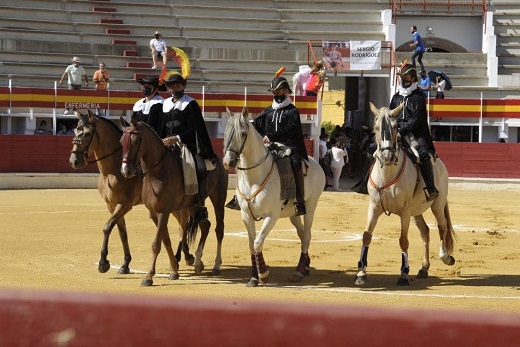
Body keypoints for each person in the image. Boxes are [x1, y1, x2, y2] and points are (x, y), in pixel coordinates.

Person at [352, 63, 439, 201]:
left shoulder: (419, 98)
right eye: (402, 77)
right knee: (371, 149)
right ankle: (365, 181)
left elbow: (416, 120)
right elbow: (391, 115)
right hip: (395, 130)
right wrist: (393, 130)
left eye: (406, 77)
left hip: (415, 133)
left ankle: (430, 187)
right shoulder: (396, 97)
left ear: (413, 78)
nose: (404, 80)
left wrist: (401, 131)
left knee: (423, 154)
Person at [226, 74, 309, 216]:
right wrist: (246, 126)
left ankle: (299, 200)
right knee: (244, 159)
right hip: (268, 146)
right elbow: (256, 125)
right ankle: (238, 196)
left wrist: (271, 136)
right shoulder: (268, 111)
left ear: (285, 91)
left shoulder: (292, 111)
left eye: (278, 91)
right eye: (274, 92)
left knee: (295, 163)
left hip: (287, 145)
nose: (276, 94)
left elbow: (291, 129)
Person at [161, 71, 218, 224]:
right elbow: (161, 127)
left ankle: (199, 206)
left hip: (188, 145)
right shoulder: (165, 104)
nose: (175, 88)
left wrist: (177, 138)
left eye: (178, 85)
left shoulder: (190, 103)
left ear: (184, 86)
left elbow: (195, 129)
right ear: (169, 89)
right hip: (166, 144)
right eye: (172, 86)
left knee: (200, 169)